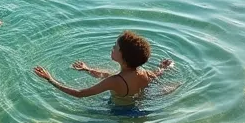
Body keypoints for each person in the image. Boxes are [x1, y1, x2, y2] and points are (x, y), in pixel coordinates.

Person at [33, 31, 173, 100]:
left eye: (115, 47)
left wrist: (50, 79)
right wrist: (163, 67)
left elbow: (80, 94)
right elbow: (157, 74)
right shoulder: (144, 72)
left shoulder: (115, 81)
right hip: (137, 106)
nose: (112, 48)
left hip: (119, 113)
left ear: (123, 57)